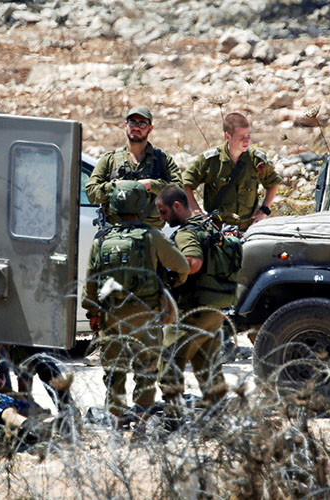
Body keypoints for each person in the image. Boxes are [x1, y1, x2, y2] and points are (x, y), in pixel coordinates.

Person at [82, 180, 190, 422]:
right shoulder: (152, 237)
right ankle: (141, 429)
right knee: (146, 372)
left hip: (112, 317)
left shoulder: (101, 239)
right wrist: (173, 283)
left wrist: (93, 314)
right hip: (146, 316)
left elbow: (91, 281)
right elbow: (182, 265)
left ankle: (117, 426)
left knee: (114, 373)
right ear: (142, 206)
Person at [156, 186, 235, 405]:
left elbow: (193, 262)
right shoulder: (207, 225)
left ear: (177, 206)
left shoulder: (186, 232)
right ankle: (217, 413)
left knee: (169, 360)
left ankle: (172, 416)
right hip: (213, 310)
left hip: (191, 310)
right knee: (207, 364)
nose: (162, 218)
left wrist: (171, 277)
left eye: (163, 211)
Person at [84, 107, 182, 229]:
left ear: (150, 128)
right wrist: (114, 186)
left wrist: (152, 185)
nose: (136, 127)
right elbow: (91, 192)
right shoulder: (110, 159)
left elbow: (179, 192)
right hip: (116, 234)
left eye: (142, 123)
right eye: (132, 122)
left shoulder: (162, 160)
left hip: (151, 235)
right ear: (126, 125)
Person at [182, 112, 281, 231]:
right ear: (228, 136)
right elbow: (185, 184)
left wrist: (263, 210)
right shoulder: (211, 160)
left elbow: (273, 183)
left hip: (247, 229)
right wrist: (198, 213)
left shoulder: (256, 160)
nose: (246, 141)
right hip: (216, 230)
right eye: (241, 137)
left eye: (248, 136)